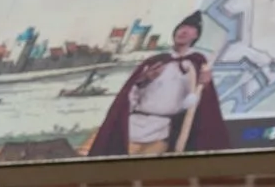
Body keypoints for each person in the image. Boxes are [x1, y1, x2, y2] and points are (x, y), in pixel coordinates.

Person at [86, 14, 231, 156]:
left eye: (189, 29)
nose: (183, 32)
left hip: (163, 132)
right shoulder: (156, 61)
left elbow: (199, 104)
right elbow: (129, 96)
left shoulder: (196, 64)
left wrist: (205, 86)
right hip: (134, 128)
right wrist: (143, 80)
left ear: (196, 36)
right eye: (181, 28)